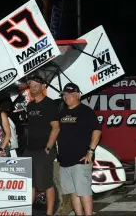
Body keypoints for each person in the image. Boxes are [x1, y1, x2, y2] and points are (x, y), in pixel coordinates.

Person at [57, 83, 102, 216]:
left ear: (77, 94)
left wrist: (90, 151)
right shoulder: (62, 112)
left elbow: (97, 131)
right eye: (64, 94)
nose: (66, 97)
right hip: (65, 160)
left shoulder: (86, 111)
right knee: (74, 192)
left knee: (84, 191)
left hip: (81, 159)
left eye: (69, 94)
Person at [22, 74, 60, 216]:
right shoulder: (30, 105)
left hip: (43, 150)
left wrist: (48, 148)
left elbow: (56, 127)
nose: (33, 88)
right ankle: (28, 212)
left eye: (36, 86)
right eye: (31, 86)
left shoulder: (50, 104)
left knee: (46, 183)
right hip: (29, 149)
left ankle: (49, 213)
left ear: (43, 87)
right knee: (29, 183)